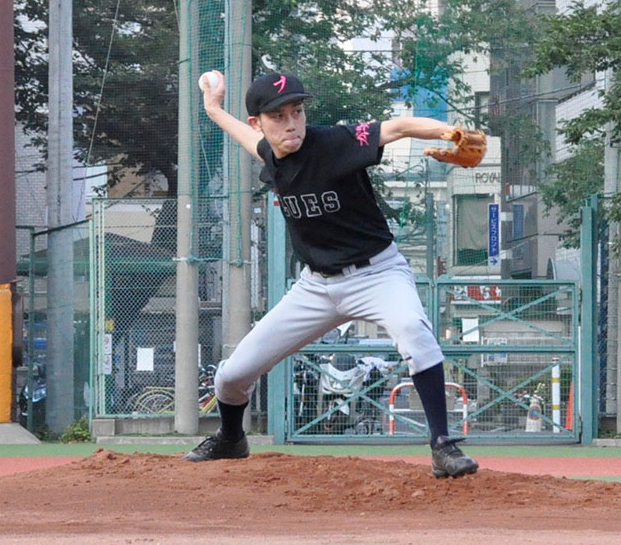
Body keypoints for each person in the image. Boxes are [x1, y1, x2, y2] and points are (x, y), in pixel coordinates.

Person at [185, 70, 479, 478]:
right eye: (278, 116)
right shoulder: (271, 153)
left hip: (377, 274)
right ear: (259, 123)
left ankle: (442, 445)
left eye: (297, 111)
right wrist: (213, 109)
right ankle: (232, 439)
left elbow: (397, 128)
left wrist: (448, 132)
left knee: (414, 330)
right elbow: (247, 139)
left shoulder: (335, 143)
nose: (291, 123)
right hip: (315, 288)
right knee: (232, 376)